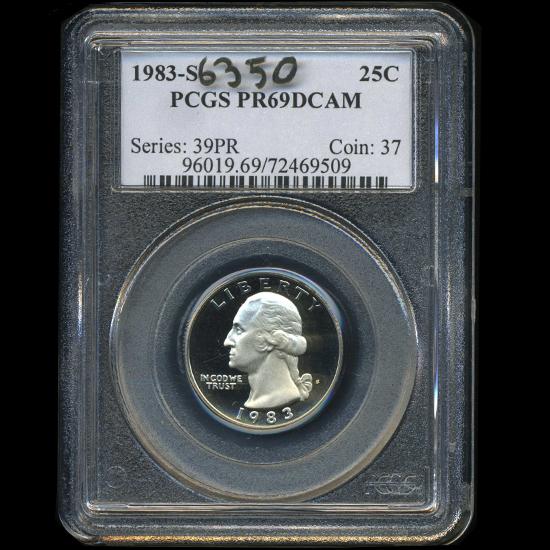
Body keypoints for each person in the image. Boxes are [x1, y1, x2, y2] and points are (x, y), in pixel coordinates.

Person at [224, 292, 312, 409]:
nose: (227, 341)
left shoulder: (280, 398)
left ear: (267, 340)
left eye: (239, 330)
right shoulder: (256, 399)